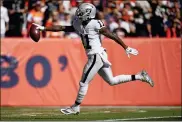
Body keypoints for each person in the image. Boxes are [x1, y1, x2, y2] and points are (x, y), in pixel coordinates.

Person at [33, 3, 154, 115]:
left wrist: (126, 47)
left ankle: (75, 107)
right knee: (112, 81)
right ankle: (139, 76)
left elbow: (111, 34)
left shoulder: (95, 23)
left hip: (96, 55)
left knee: (83, 82)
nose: (79, 13)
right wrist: (43, 28)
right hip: (97, 55)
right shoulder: (78, 23)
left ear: (88, 13)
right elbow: (62, 28)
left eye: (82, 11)